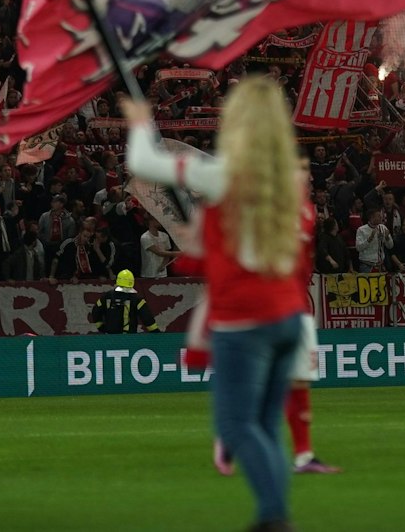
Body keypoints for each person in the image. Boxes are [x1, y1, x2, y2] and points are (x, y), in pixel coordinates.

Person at [125, 77, 308, 532]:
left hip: (244, 320)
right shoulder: (286, 179)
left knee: (234, 426)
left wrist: (138, 121)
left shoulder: (222, 173)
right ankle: (273, 514)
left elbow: (143, 162)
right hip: (287, 316)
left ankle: (274, 518)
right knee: (264, 429)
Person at [89, 269, 160, 333]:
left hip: (110, 339)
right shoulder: (137, 299)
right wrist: (156, 333)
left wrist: (101, 328)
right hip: (129, 339)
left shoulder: (106, 296)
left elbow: (95, 312)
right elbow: (147, 318)